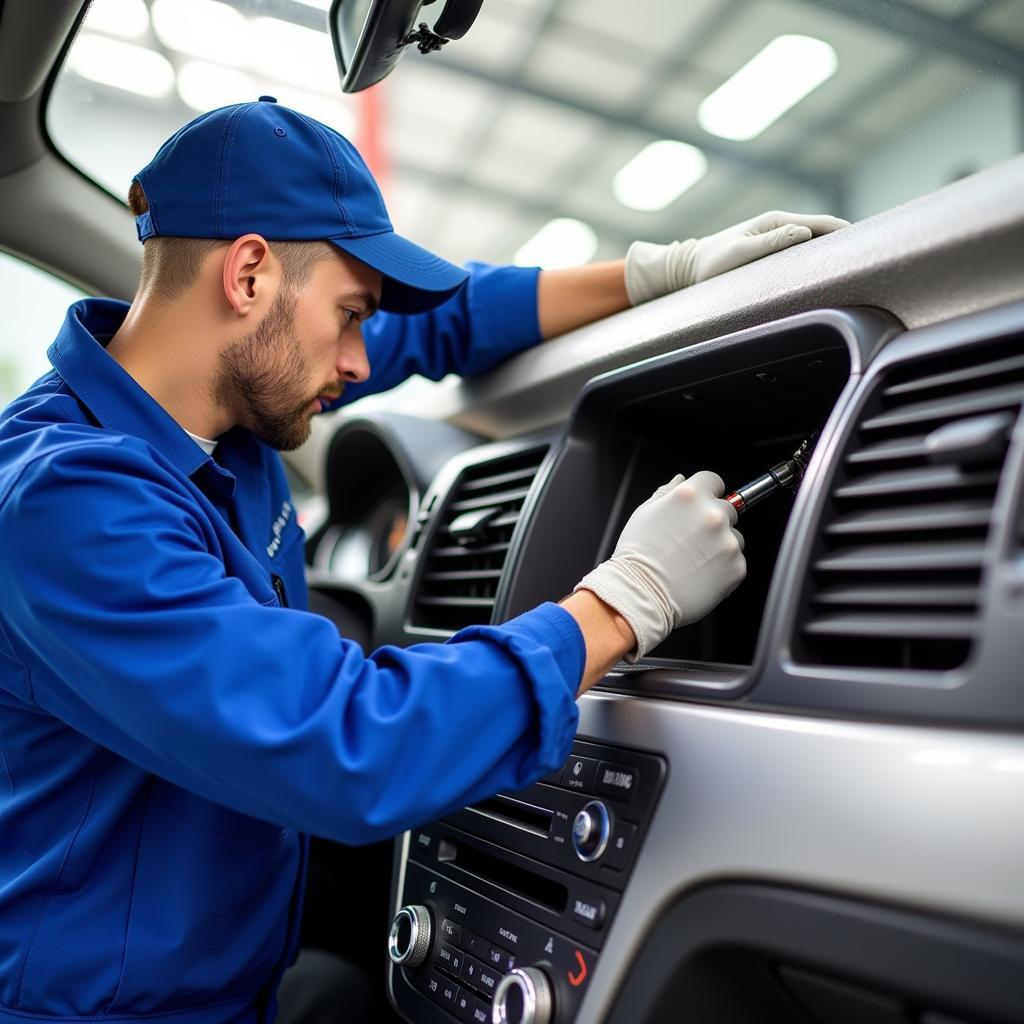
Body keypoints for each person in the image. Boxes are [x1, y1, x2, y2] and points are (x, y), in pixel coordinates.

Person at [0, 97, 846, 1024]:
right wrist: (625, 601)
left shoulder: (221, 394)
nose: (362, 360)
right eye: (351, 314)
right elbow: (348, 745)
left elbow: (437, 323)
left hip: (235, 976)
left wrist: (657, 274)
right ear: (247, 274)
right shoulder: (68, 505)